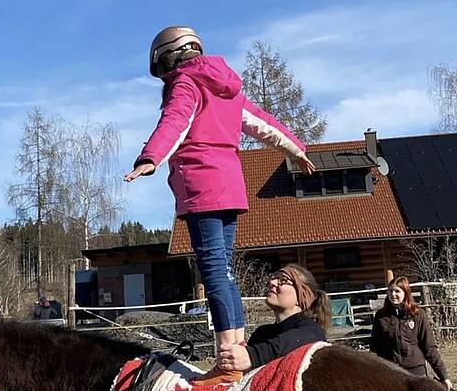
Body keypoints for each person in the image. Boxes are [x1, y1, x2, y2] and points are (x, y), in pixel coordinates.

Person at [124, 26, 315, 385]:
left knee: (214, 272)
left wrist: (151, 157)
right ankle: (236, 348)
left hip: (203, 186)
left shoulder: (186, 82)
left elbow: (175, 122)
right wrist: (297, 149)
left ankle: (228, 359)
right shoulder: (226, 88)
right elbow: (265, 125)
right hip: (230, 186)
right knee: (223, 271)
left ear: (169, 57)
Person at [214, 264, 331, 373]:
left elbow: (298, 340)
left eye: (283, 281)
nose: (272, 282)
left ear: (302, 296)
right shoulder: (262, 334)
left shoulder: (311, 331)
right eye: (274, 278)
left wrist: (252, 356)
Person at [370, 276, 454, 390]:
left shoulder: (417, 314)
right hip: (391, 371)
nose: (393, 294)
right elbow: (375, 348)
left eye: (397, 291)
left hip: (416, 371)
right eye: (390, 291)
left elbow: (429, 348)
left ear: (406, 292)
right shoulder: (381, 316)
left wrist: (443, 376)